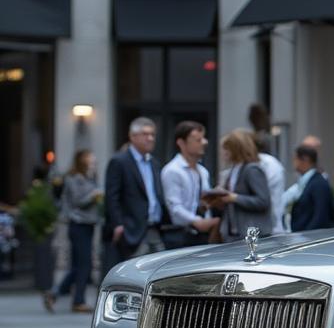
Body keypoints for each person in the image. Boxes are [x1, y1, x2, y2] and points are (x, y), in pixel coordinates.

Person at [44, 150, 101, 313]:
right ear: (82, 160)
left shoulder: (90, 177)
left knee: (78, 265)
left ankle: (54, 294)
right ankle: (78, 301)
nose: (93, 160)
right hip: (78, 224)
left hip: (88, 224)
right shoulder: (73, 178)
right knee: (84, 265)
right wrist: (94, 195)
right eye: (90, 158)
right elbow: (77, 201)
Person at [104, 117, 168, 262]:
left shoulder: (154, 163)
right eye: (145, 134)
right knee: (134, 275)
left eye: (153, 134)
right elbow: (112, 197)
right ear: (132, 136)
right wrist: (118, 225)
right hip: (132, 231)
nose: (150, 138)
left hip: (155, 228)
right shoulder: (119, 161)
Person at [160, 121, 219, 249]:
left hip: (202, 236)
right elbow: (175, 208)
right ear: (181, 143)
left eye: (203, 138)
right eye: (198, 140)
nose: (204, 142)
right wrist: (198, 221)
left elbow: (204, 202)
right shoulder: (172, 170)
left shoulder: (203, 171)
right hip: (180, 238)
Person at [207, 129, 273, 240]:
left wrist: (234, 198)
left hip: (253, 236)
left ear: (236, 149)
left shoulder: (252, 170)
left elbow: (263, 201)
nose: (224, 152)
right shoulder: (233, 170)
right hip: (234, 234)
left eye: (227, 148)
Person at [288, 145, 334, 232]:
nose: (293, 162)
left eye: (295, 159)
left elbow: (320, 216)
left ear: (305, 159)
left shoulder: (319, 183)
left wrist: (307, 237)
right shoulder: (307, 181)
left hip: (313, 239)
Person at [254, 132, 287, 234]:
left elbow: (261, 191)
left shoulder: (265, 163)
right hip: (272, 222)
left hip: (269, 224)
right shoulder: (272, 162)